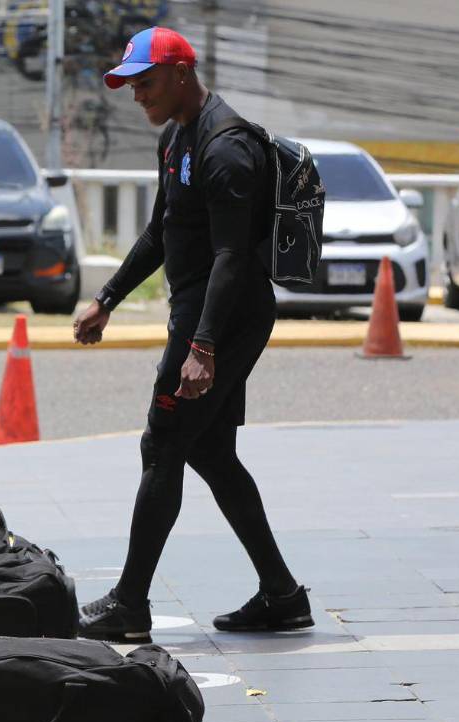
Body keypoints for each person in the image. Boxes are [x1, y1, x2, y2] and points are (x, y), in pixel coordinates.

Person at [72, 27, 312, 641]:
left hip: (223, 319)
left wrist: (202, 348)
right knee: (207, 450)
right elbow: (161, 232)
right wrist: (107, 299)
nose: (136, 97)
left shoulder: (225, 148)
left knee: (163, 445)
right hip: (204, 315)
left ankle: (130, 605)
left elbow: (232, 256)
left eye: (145, 83)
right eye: (130, 85)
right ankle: (282, 595)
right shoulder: (180, 136)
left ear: (181, 73)